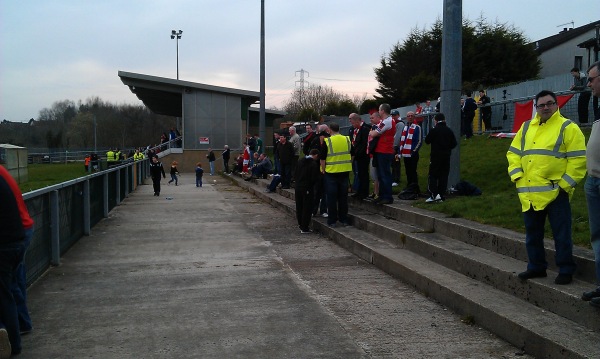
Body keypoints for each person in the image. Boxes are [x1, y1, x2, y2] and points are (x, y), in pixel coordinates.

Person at [507, 89, 586, 285]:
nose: (545, 107)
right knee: (533, 234)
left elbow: (578, 160)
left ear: (556, 104)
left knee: (562, 234)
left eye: (549, 103)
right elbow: (513, 154)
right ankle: (536, 267)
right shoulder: (526, 128)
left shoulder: (568, 127)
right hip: (530, 192)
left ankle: (566, 269)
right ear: (536, 107)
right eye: (541, 105)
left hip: (556, 192)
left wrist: (564, 186)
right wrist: (517, 176)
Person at [0, 166, 27, 357]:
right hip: (16, 239)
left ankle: (11, 342)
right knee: (12, 287)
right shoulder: (2, 175)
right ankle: (21, 326)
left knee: (4, 295)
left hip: (6, 244)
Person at [582, 61, 600, 307]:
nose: (589, 83)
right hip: (593, 180)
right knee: (597, 236)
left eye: (592, 78)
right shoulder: (598, 106)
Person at [321, 122, 352, 227]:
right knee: (343, 197)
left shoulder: (327, 141)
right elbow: (352, 154)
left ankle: (332, 220)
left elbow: (322, 158)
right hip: (344, 172)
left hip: (331, 172)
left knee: (331, 198)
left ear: (329, 130)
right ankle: (344, 219)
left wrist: (323, 170)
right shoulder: (347, 139)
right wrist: (348, 163)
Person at [424, 113, 457, 202]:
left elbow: (427, 140)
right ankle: (441, 195)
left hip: (435, 156)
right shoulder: (449, 130)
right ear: (444, 120)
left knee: (433, 175)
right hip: (446, 156)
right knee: (444, 176)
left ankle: (434, 194)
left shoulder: (434, 130)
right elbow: (454, 143)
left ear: (435, 121)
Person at [369, 104, 396, 205]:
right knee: (381, 175)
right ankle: (382, 195)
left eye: (379, 110)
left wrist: (373, 132)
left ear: (382, 111)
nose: (378, 112)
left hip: (384, 150)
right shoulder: (387, 121)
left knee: (384, 175)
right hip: (382, 150)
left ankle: (387, 196)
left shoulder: (387, 121)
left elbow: (374, 133)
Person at [295, 149, 321, 233]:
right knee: (307, 207)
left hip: (298, 186)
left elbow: (295, 173)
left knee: (299, 206)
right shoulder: (313, 164)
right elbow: (314, 178)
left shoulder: (300, 161)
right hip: (307, 188)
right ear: (316, 155)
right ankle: (305, 227)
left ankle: (300, 224)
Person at [398, 111, 423, 194]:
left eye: (412, 116)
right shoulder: (405, 128)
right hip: (405, 153)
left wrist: (414, 151)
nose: (410, 117)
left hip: (412, 153)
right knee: (407, 171)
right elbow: (402, 140)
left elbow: (419, 140)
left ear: (414, 117)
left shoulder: (417, 127)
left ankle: (415, 187)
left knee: (413, 171)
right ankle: (409, 186)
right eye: (408, 116)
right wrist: (400, 151)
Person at [349, 113, 371, 200]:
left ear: (357, 121)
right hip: (358, 156)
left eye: (353, 122)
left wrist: (357, 153)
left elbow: (364, 144)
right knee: (359, 174)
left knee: (363, 174)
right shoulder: (356, 129)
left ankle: (364, 192)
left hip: (363, 156)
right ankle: (359, 191)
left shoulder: (365, 128)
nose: (352, 124)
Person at [391, 109, 405, 187]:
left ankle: (396, 179)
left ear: (398, 115)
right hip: (394, 146)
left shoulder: (400, 124)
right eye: (392, 115)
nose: (393, 117)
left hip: (396, 147)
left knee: (396, 163)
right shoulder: (395, 123)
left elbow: (398, 136)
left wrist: (395, 146)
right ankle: (394, 178)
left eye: (395, 115)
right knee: (394, 163)